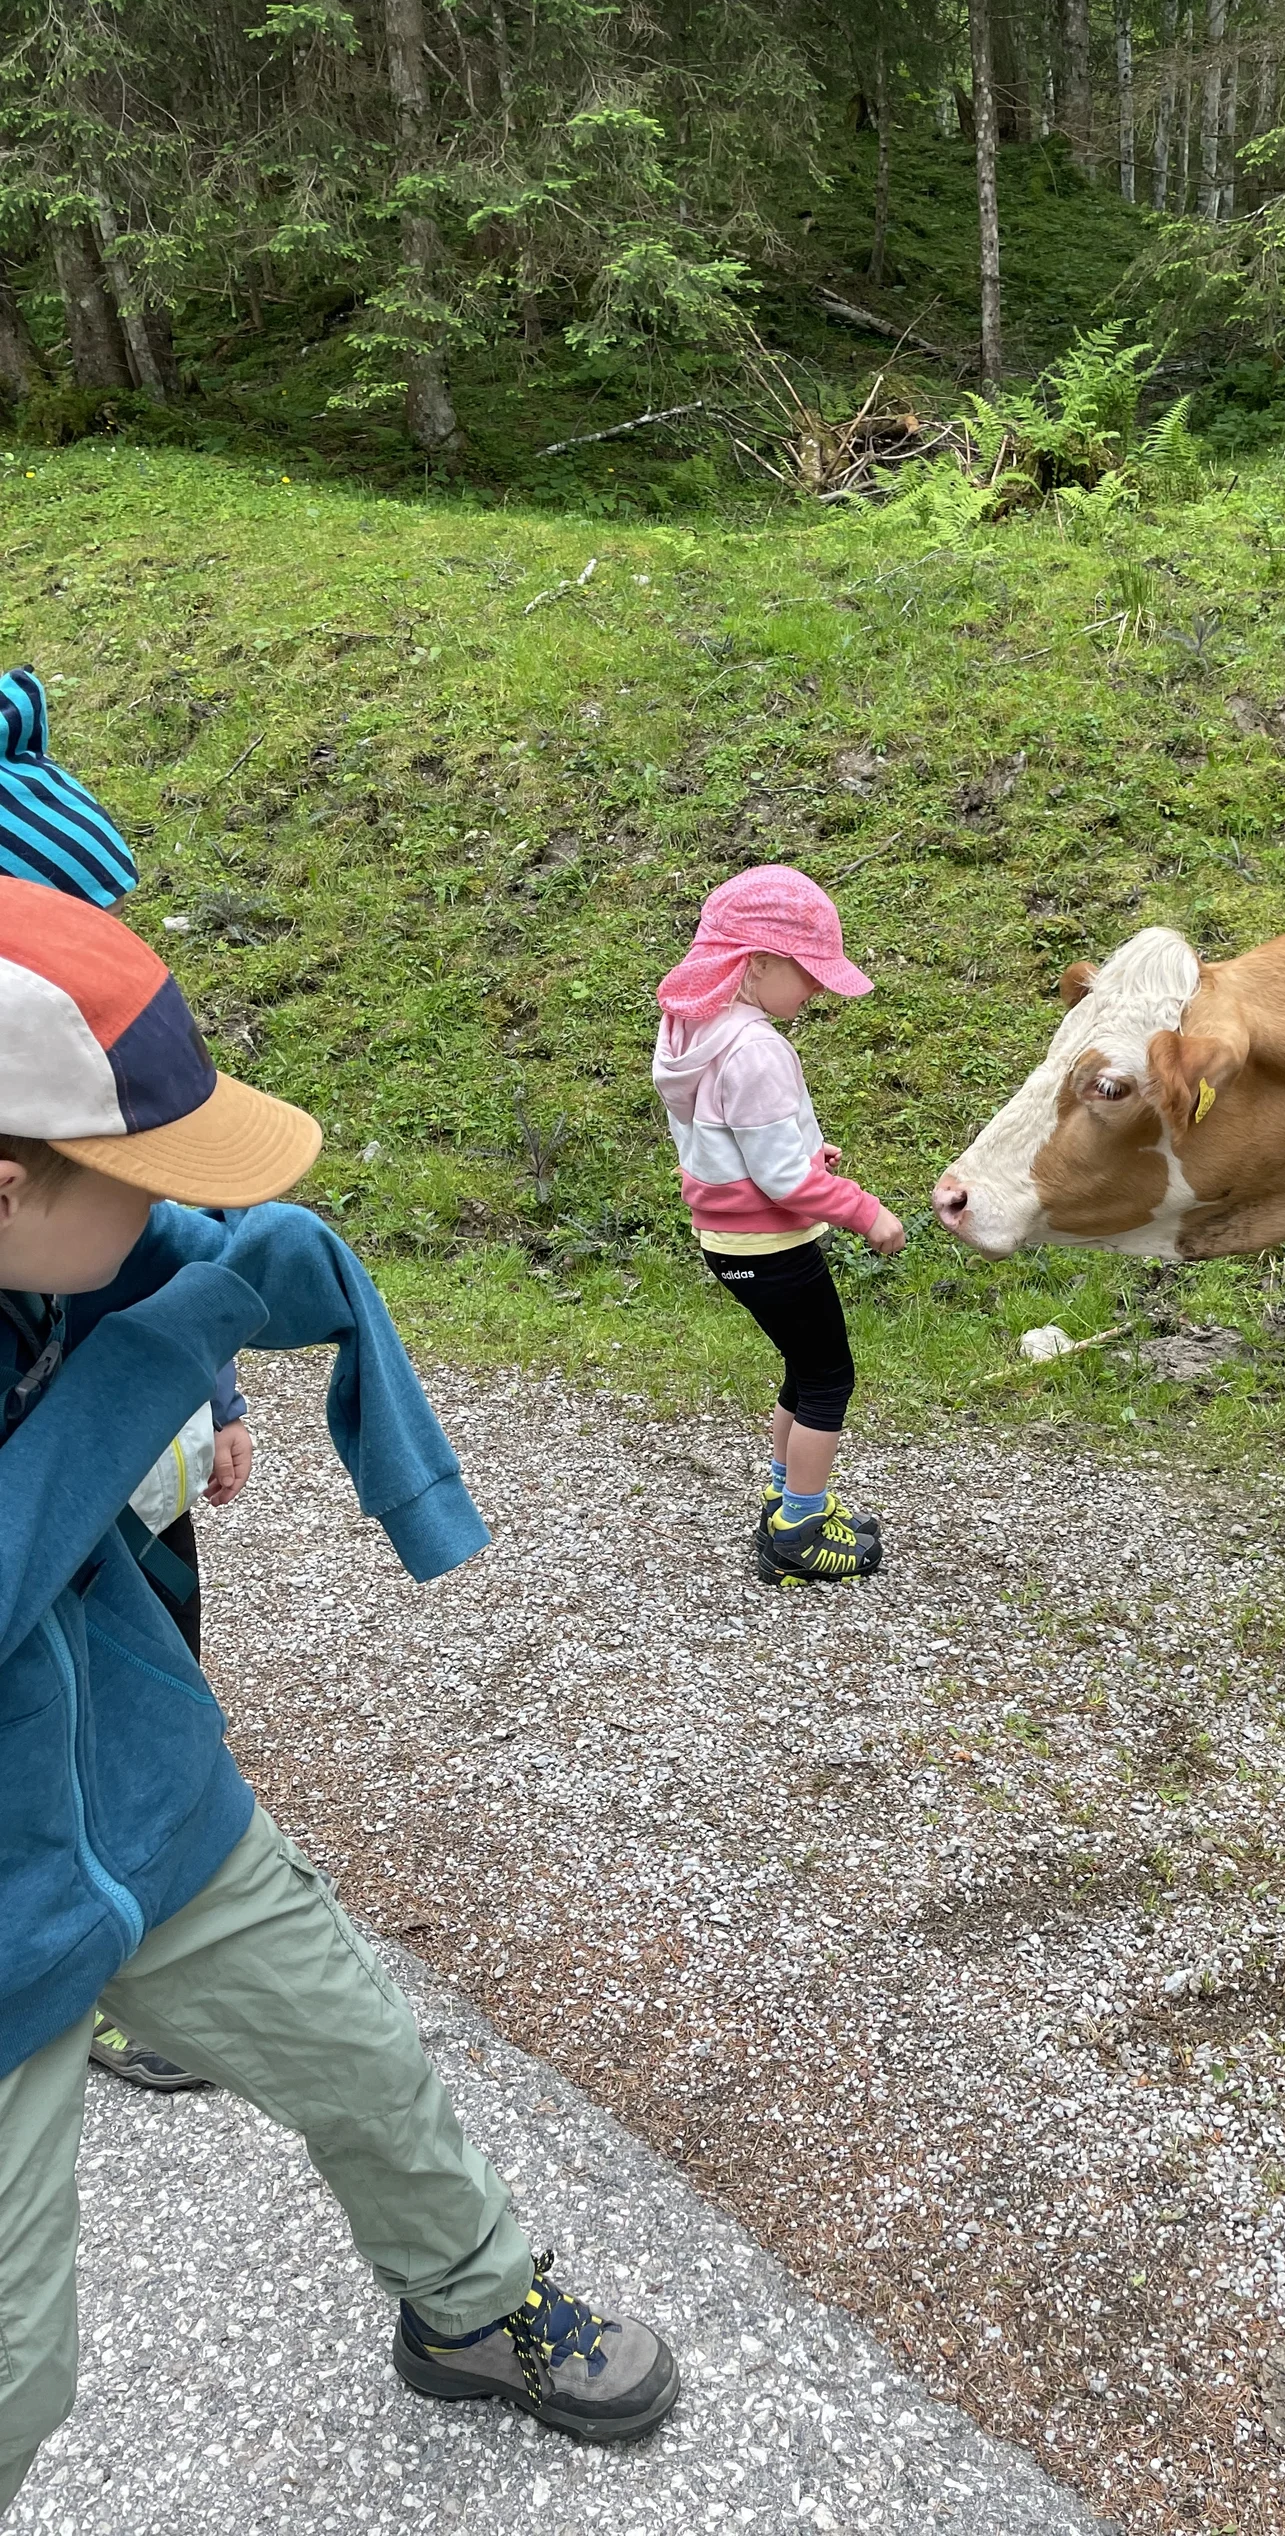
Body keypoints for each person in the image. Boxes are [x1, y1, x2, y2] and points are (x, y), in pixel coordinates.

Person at [0, 885, 679, 2516]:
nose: (171, 1201)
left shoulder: (38, 1241)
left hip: (147, 1807)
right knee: (15, 2367)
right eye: (147, 1176)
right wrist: (165, 1351)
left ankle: (471, 2307)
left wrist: (227, 1290)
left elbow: (138, 1271)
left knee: (365, 2059)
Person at [0, 661, 249, 2093]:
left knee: (152, 1641)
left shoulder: (77, 1086)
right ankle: (85, 1970)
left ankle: (147, 1895)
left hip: (127, 1474)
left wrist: (215, 1385)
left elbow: (159, 1225)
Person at [652, 864, 904, 1584]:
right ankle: (798, 1529)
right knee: (828, 1378)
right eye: (809, 972)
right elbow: (783, 1181)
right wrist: (866, 1212)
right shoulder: (757, 1048)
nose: (818, 989)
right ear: (757, 962)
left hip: (730, 1237)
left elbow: (734, 1142)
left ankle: (786, 1498)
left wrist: (803, 1156)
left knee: (804, 1364)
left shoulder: (694, 1029)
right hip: (772, 1245)